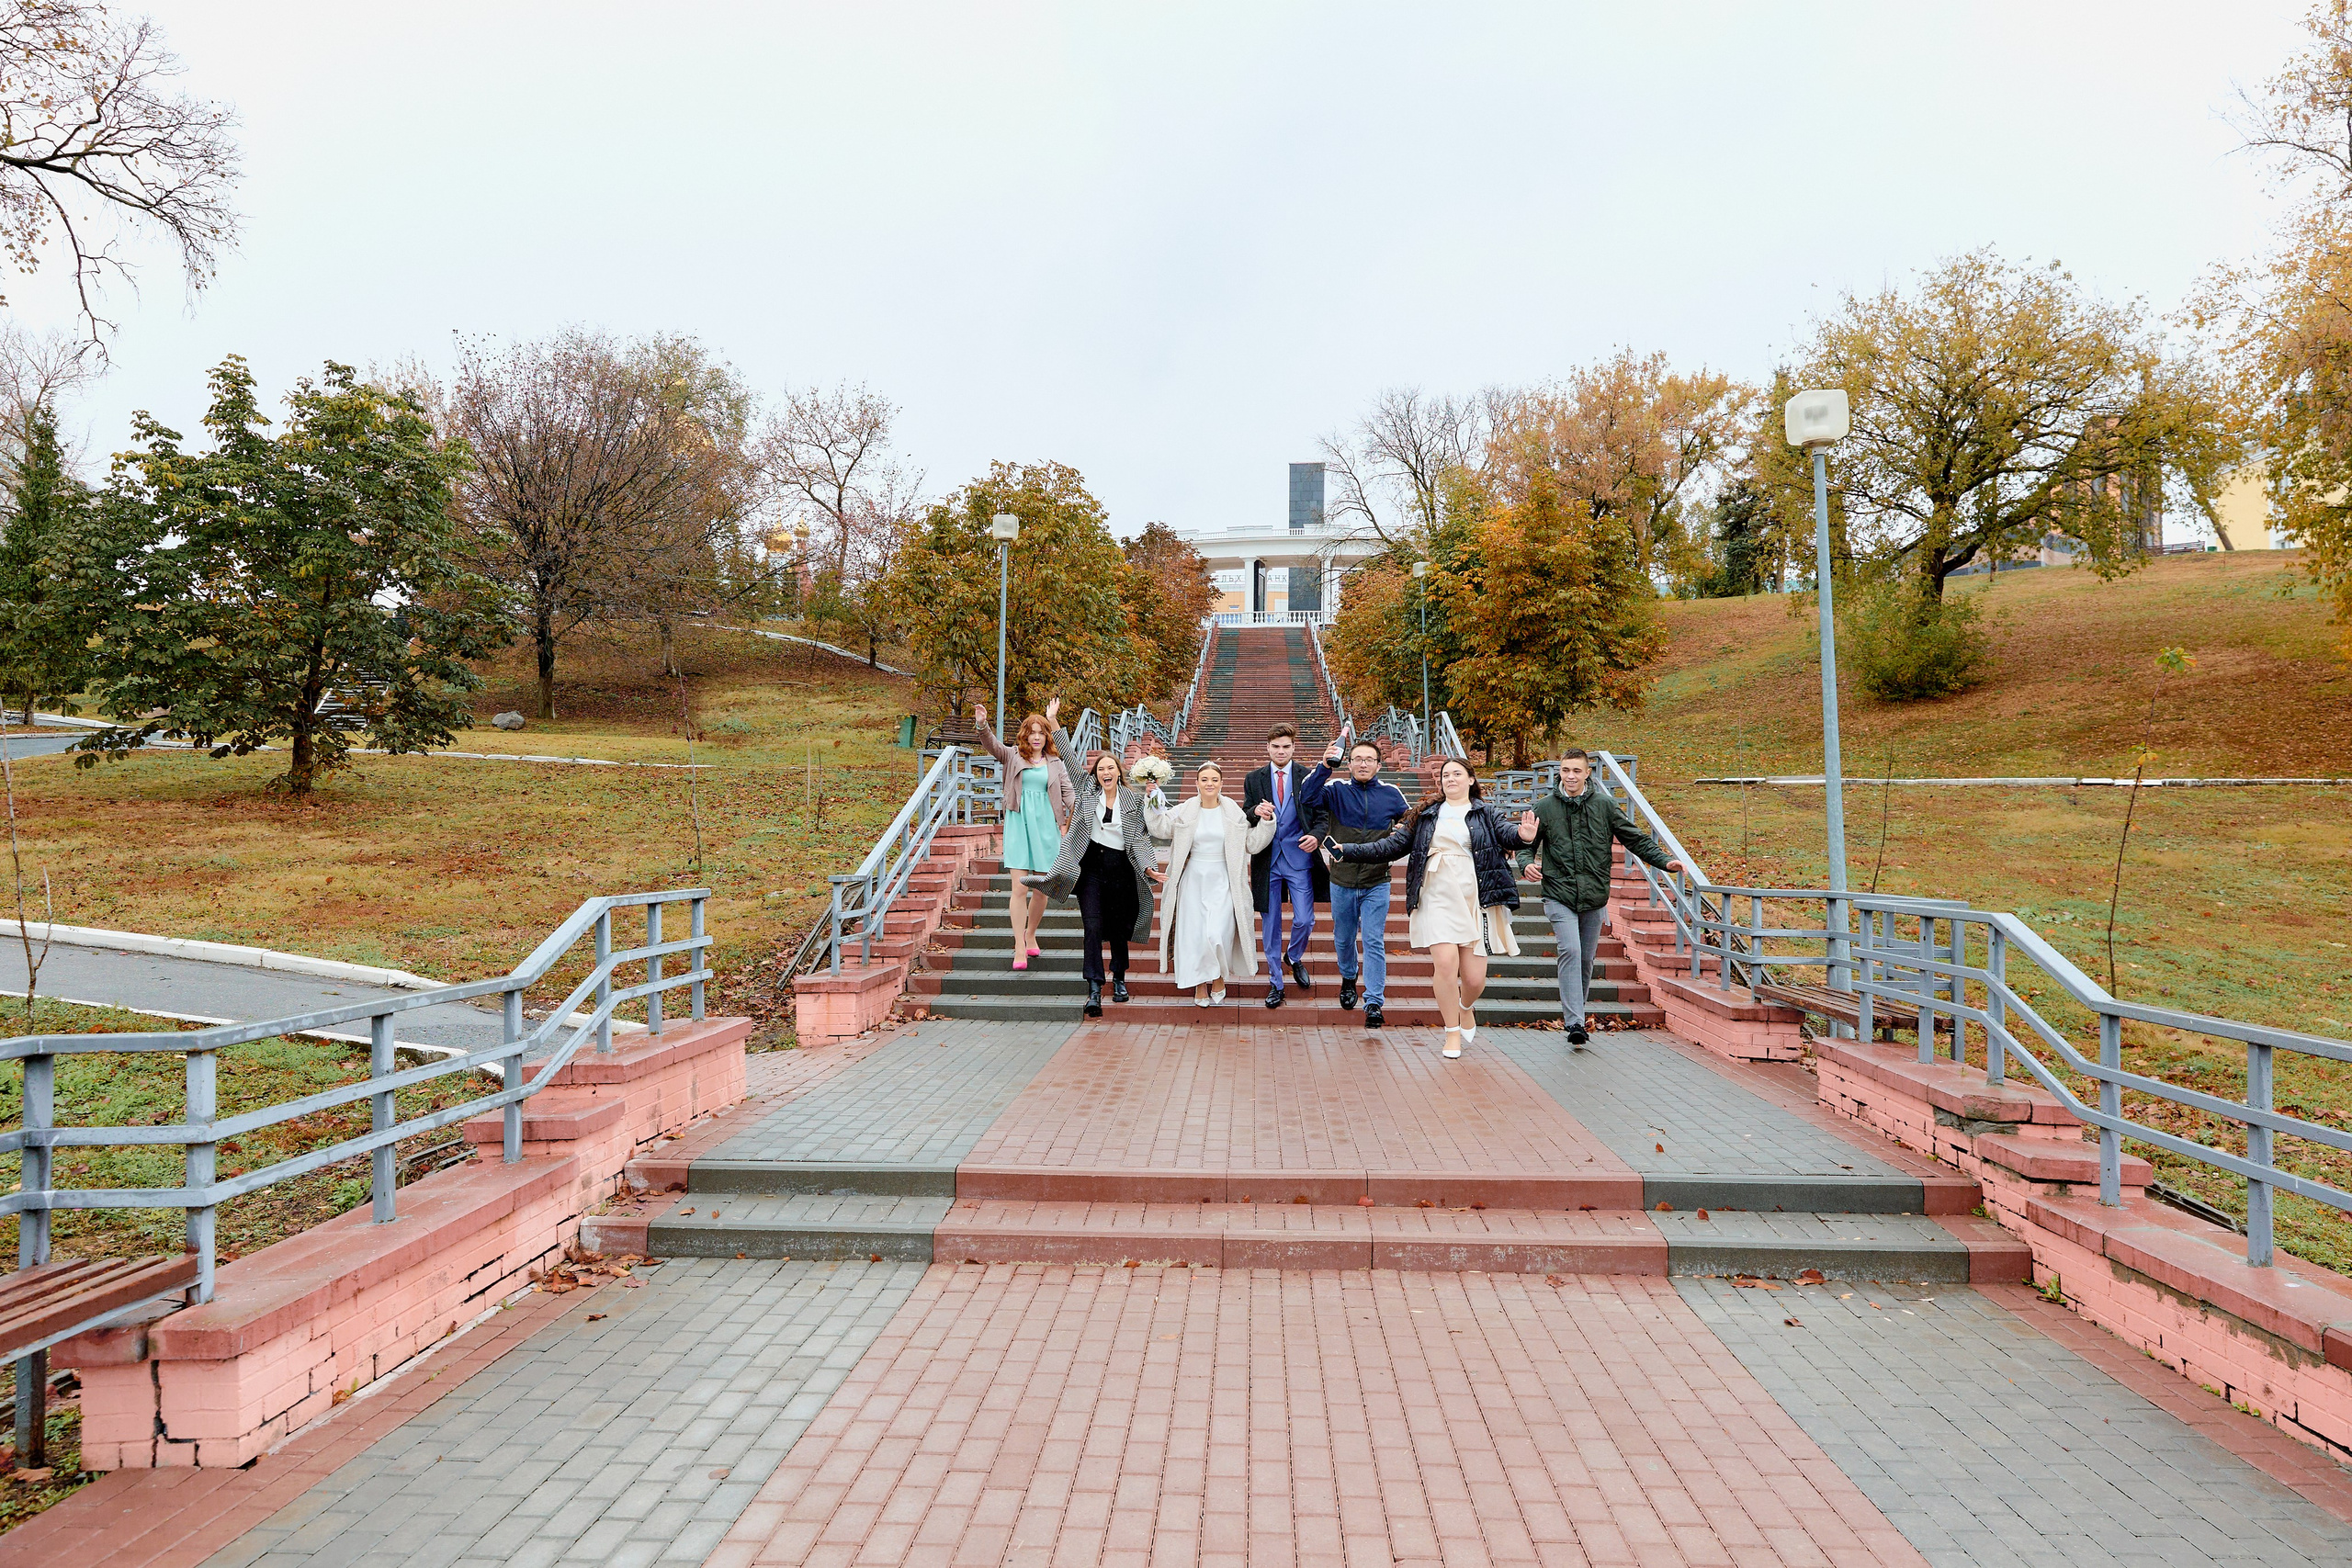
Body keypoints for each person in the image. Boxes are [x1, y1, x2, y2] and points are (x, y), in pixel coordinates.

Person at [1329, 757, 1533, 1059]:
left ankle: (1465, 1008)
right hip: (1435, 892)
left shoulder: (1486, 813)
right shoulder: (1425, 815)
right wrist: (1348, 850)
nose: (1450, 779)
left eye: (1457, 774)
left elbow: (1507, 834)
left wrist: (1522, 836)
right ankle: (1451, 1033)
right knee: (1446, 965)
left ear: (1471, 780)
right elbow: (1391, 845)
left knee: (1475, 980)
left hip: (1474, 894)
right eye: (1445, 775)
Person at [1515, 747, 1681, 1048]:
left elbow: (1635, 838)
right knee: (1571, 951)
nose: (1570, 776)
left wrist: (1663, 861)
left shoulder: (1604, 805)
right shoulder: (1545, 807)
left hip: (1594, 896)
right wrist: (1526, 862)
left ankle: (1576, 1016)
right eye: (1565, 770)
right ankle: (1575, 1022)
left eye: (1576, 771)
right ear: (1560, 772)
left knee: (1587, 959)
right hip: (1558, 893)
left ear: (1588, 773)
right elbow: (1526, 845)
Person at [1026, 698, 1158, 1017]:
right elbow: (1070, 758)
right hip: (1091, 869)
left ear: (1118, 772)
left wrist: (1148, 866)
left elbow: (1139, 838)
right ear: (1096, 774)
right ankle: (1094, 989)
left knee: (1119, 928)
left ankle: (1120, 978)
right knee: (1093, 927)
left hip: (1123, 868)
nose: (1105, 772)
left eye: (1110, 767)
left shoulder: (1134, 800)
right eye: (1101, 769)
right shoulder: (1087, 791)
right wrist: (1054, 722)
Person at [1299, 734, 1409, 1028]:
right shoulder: (1335, 790)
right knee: (1344, 938)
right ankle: (1349, 976)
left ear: (1378, 765)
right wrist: (1324, 765)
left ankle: (1373, 1002)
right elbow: (1307, 796)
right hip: (1342, 879)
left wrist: (1400, 831)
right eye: (1358, 759)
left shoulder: (1391, 794)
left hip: (1377, 880)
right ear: (1348, 763)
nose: (1363, 764)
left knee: (1373, 940)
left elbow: (1411, 823)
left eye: (1369, 760)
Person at [1146, 760, 1273, 1004]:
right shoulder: (1185, 810)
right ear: (1196, 783)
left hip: (1224, 879)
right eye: (1204, 779)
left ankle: (1217, 975)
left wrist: (1267, 823)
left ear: (1222, 783)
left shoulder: (1233, 811)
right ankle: (1199, 984)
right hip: (1193, 879)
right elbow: (1160, 828)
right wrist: (1151, 801)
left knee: (1217, 932)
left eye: (1214, 779)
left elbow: (1251, 844)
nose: (1209, 784)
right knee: (1195, 935)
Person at [974, 705, 1073, 971]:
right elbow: (992, 746)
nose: (1037, 737)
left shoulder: (1056, 763)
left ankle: (1031, 933)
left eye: (1041, 732)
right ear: (1025, 736)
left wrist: (1068, 825)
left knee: (1042, 887)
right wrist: (982, 724)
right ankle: (1019, 945)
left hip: (1046, 827)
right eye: (1032, 732)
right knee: (1019, 888)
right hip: (1019, 824)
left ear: (1046, 736)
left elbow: (1069, 795)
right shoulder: (1013, 756)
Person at [1241, 723, 1327, 1009]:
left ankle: (1293, 955)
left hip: (1299, 858)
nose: (1281, 751)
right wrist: (1255, 811)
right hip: (1267, 860)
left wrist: (1316, 836)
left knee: (1305, 919)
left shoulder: (1308, 776)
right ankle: (1276, 982)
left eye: (1286, 746)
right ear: (1268, 748)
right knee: (1270, 925)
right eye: (1275, 746)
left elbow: (1321, 816)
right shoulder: (1254, 778)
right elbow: (1245, 813)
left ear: (1294, 747)